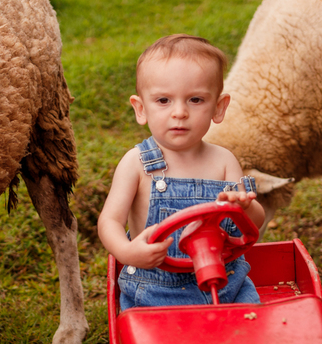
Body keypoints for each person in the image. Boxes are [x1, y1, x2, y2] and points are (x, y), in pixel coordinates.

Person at [98, 34, 266, 311]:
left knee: (254, 338)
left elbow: (253, 224)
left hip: (227, 286)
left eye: (195, 100)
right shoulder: (136, 164)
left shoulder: (224, 161)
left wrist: (245, 208)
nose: (180, 112)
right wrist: (128, 252)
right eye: (163, 100)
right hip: (154, 292)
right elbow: (109, 222)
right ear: (141, 109)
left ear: (218, 107)